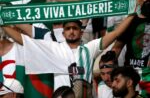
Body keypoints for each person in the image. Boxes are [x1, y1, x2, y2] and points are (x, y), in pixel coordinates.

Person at [2, 15, 135, 92]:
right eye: (68, 28)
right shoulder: (53, 48)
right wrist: (2, 23)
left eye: (75, 28)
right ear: (63, 32)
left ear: (81, 32)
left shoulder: (89, 48)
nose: (71, 31)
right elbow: (23, 40)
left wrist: (132, 14)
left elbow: (116, 33)